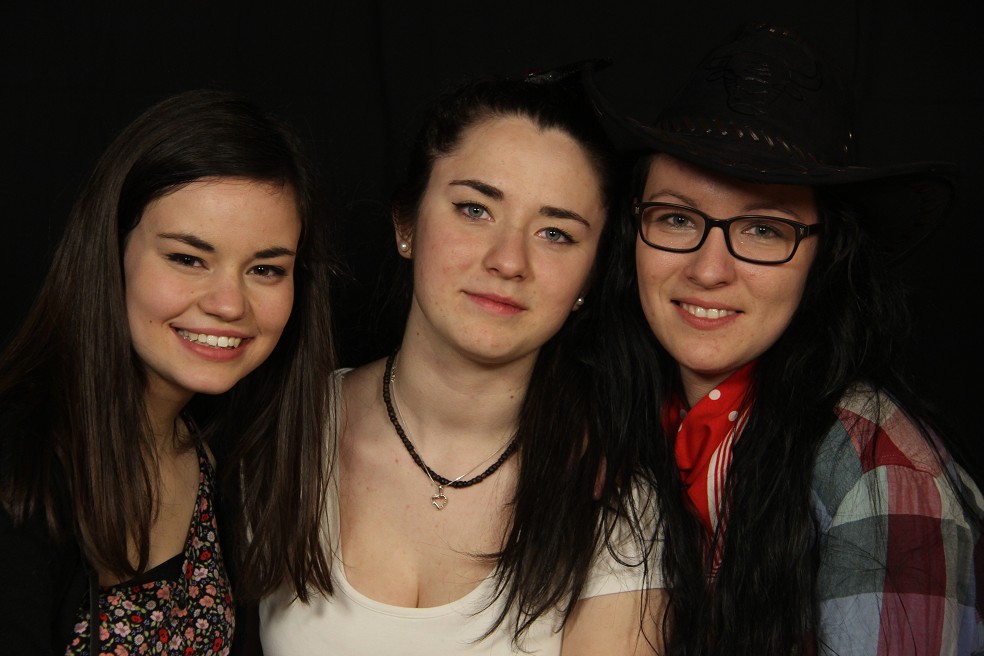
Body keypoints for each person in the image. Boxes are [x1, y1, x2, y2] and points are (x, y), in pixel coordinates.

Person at [588, 22, 984, 655]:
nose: (709, 270)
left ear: (825, 258)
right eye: (677, 218)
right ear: (632, 232)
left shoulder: (880, 472)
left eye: (764, 230)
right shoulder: (607, 425)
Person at [259, 66, 664, 654]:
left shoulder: (617, 502)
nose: (509, 260)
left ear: (590, 276)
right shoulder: (278, 433)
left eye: (555, 233)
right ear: (406, 223)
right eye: (475, 209)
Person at [0, 89, 336, 655]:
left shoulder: (222, 456)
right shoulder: (19, 461)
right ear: (111, 250)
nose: (229, 304)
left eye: (265, 269)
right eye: (187, 258)